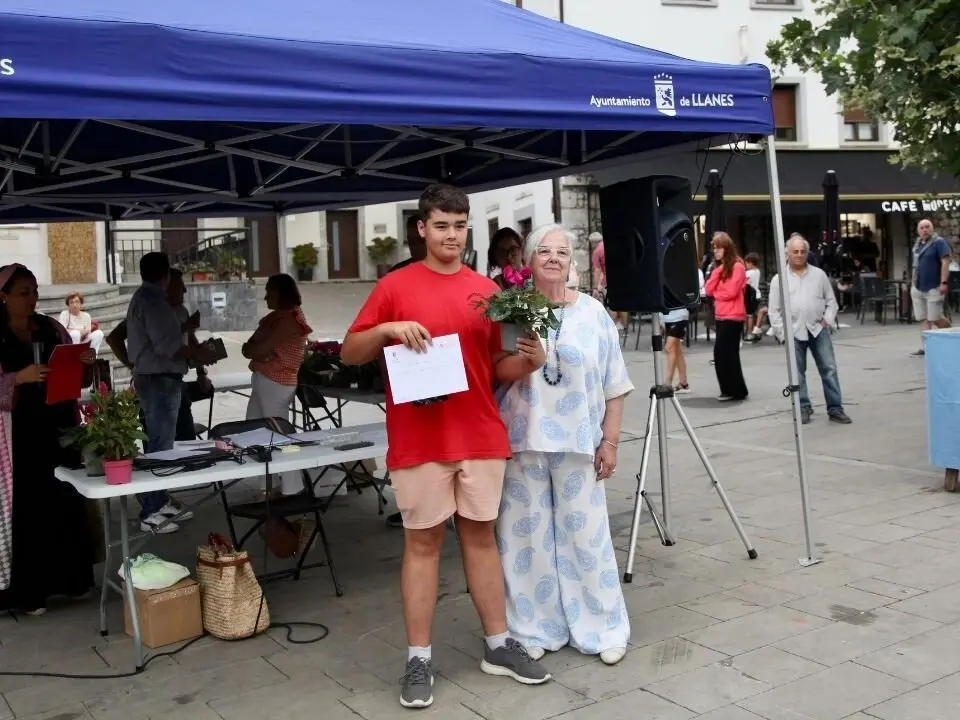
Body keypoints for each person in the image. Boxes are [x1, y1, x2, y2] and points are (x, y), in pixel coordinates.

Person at [340, 183, 551, 709]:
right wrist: (389, 327)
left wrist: (528, 361)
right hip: (419, 438)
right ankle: (418, 657)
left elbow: (492, 369)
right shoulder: (394, 286)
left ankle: (498, 645)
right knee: (423, 544)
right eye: (441, 226)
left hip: (480, 433)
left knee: (481, 539)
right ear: (421, 228)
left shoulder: (487, 290)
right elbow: (349, 352)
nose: (451, 235)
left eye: (459, 226)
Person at [497, 224, 634, 667]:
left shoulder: (594, 313)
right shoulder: (513, 311)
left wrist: (609, 441)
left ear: (572, 261)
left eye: (562, 251)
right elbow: (495, 371)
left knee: (587, 536)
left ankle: (603, 626)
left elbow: (616, 385)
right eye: (544, 251)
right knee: (526, 540)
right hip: (523, 441)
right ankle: (534, 627)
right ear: (529, 260)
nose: (553, 257)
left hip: (579, 442)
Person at [0, 263, 96, 615]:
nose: (32, 299)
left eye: (35, 292)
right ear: (4, 296)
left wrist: (84, 362)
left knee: (64, 501)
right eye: (24, 293)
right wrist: (17, 379)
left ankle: (70, 581)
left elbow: (77, 378)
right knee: (28, 511)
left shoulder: (52, 328)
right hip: (16, 437)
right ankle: (28, 593)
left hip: (58, 428)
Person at [126, 253, 217, 533]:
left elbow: (165, 338)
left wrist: (188, 335)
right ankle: (151, 511)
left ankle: (159, 501)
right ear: (165, 275)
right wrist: (200, 353)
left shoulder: (146, 298)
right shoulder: (154, 301)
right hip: (158, 379)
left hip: (158, 377)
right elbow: (168, 346)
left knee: (161, 443)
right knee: (160, 446)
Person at [107, 268, 209, 445]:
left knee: (185, 440)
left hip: (176, 381)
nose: (184, 290)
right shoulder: (149, 308)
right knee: (160, 443)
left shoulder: (181, 311)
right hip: (155, 383)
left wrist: (201, 371)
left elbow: (190, 343)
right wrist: (134, 366)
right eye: (180, 286)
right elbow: (114, 338)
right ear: (167, 285)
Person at [768, 235, 852, 425]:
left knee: (829, 369)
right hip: (793, 331)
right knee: (797, 374)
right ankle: (803, 407)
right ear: (787, 254)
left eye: (803, 252)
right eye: (795, 252)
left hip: (817, 329)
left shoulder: (819, 275)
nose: (799, 255)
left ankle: (835, 408)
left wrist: (827, 321)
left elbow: (831, 302)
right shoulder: (778, 279)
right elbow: (774, 310)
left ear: (808, 253)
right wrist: (782, 334)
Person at [242, 273, 312, 497]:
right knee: (255, 432)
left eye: (268, 291)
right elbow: (248, 349)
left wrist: (259, 352)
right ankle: (267, 486)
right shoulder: (274, 319)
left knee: (279, 437)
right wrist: (260, 353)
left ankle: (293, 488)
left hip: (277, 382)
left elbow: (258, 349)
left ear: (280, 292)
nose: (265, 297)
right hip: (265, 379)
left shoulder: (289, 320)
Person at [704, 232, 748, 401]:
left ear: (727, 248)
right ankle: (729, 389)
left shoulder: (738, 266)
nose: (715, 251)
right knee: (721, 353)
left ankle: (736, 389)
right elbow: (708, 289)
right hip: (721, 315)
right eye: (714, 247)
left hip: (734, 316)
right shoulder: (719, 269)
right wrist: (718, 272)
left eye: (718, 247)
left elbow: (731, 291)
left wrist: (717, 293)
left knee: (726, 352)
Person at [910, 219, 952, 356]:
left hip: (933, 286)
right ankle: (926, 348)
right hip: (918, 286)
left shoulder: (938, 242)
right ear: (918, 230)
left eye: (927, 227)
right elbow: (915, 266)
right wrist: (912, 283)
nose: (924, 230)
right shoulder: (918, 245)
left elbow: (945, 262)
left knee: (935, 318)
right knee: (923, 318)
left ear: (932, 228)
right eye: (921, 227)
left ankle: (951, 334)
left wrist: (944, 282)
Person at [662, 268, 705, 393]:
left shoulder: (692, 271)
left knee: (669, 347)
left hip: (681, 314)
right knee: (677, 349)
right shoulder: (664, 269)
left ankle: (667, 384)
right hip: (667, 315)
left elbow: (698, 288)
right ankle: (683, 383)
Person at [591, 238, 629, 335]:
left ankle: (612, 331)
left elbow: (597, 270)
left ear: (593, 242)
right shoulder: (615, 245)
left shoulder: (597, 251)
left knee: (612, 305)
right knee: (623, 305)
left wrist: (595, 287)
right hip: (623, 280)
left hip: (610, 282)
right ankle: (625, 329)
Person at [743, 253, 766, 341]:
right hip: (757, 294)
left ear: (751, 263)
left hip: (750, 295)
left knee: (749, 315)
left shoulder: (748, 273)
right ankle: (756, 332)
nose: (746, 265)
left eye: (747, 263)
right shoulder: (757, 271)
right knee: (754, 314)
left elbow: (744, 282)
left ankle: (749, 333)